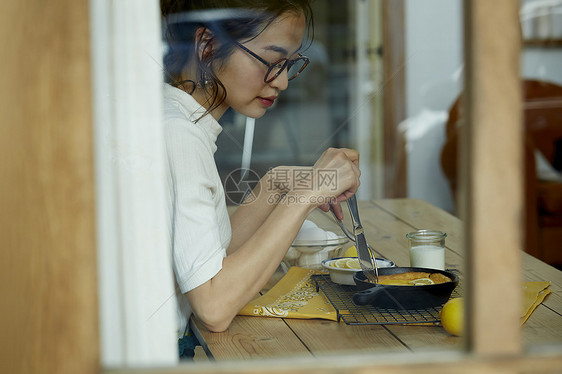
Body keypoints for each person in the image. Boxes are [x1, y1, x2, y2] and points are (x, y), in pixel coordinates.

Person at [160, 0, 361, 357]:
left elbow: (205, 265)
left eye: (288, 64)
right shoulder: (179, 135)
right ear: (207, 45)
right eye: (272, 60)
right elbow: (214, 306)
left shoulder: (173, 116)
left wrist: (275, 185)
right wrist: (306, 197)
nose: (282, 81)